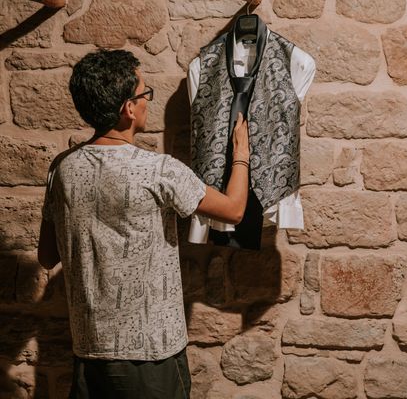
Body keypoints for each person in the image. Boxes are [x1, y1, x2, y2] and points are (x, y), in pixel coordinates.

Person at [37, 49, 249, 399]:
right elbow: (234, 210)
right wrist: (240, 154)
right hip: (152, 356)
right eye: (145, 94)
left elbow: (47, 257)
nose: (148, 101)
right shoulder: (158, 170)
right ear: (128, 108)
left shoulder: (61, 169)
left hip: (89, 352)